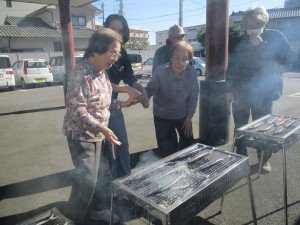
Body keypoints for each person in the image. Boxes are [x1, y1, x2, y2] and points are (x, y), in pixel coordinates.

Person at [62, 29, 133, 225]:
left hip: (100, 134)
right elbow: (77, 109)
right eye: (113, 52)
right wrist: (102, 128)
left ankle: (98, 210)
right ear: (97, 49)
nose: (116, 58)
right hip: (81, 136)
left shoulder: (102, 73)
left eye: (118, 54)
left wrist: (121, 104)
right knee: (86, 182)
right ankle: (73, 218)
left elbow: (103, 102)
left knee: (103, 175)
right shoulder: (80, 73)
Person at [89, 14, 149, 223]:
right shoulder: (97, 51)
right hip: (96, 110)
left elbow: (130, 76)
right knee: (104, 156)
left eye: (121, 30)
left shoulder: (120, 52)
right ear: (104, 29)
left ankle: (127, 189)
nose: (118, 33)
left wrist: (141, 91)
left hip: (113, 106)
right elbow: (99, 83)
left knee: (122, 147)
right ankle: (104, 200)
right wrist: (125, 88)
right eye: (113, 28)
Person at [226, 6, 290, 173]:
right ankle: (241, 158)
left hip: (264, 92)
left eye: (255, 25)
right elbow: (232, 66)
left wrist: (263, 45)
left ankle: (263, 160)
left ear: (264, 22)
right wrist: (229, 89)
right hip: (241, 92)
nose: (251, 29)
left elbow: (285, 60)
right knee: (240, 127)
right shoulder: (241, 40)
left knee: (263, 129)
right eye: (248, 25)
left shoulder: (276, 36)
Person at [146, 42, 199, 157]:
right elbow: (150, 88)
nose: (180, 62)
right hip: (162, 116)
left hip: (183, 115)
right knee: (167, 151)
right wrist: (144, 97)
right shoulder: (160, 71)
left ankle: (188, 171)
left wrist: (189, 117)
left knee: (189, 147)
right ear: (170, 58)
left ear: (189, 60)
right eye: (176, 58)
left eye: (184, 59)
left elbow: (193, 97)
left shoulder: (192, 72)